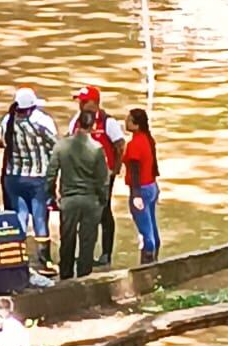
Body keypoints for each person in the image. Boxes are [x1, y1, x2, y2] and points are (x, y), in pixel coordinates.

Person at [46, 107, 110, 280]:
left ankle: (65, 276)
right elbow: (103, 179)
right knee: (87, 243)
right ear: (93, 125)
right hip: (91, 201)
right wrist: (103, 200)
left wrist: (51, 196)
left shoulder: (61, 145)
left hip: (69, 199)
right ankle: (83, 278)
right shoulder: (97, 149)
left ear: (78, 123)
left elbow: (51, 174)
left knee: (67, 240)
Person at [0, 87, 58, 271]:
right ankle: (44, 261)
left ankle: (18, 259)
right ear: (32, 107)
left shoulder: (7, 120)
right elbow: (55, 147)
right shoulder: (42, 121)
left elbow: (2, 142)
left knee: (19, 218)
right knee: (40, 219)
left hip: (13, 177)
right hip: (37, 178)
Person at [69, 87, 125, 267]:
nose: (81, 104)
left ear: (95, 102)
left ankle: (106, 254)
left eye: (84, 101)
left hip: (103, 177)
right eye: (80, 101)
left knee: (104, 213)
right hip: (81, 176)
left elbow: (120, 146)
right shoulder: (76, 121)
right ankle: (86, 255)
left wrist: (114, 170)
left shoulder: (108, 122)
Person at [124, 108, 161, 263]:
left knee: (146, 232)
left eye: (129, 120)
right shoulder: (148, 139)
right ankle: (155, 258)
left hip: (141, 190)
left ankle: (148, 263)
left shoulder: (134, 144)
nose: (125, 121)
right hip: (151, 186)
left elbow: (134, 170)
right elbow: (153, 165)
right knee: (152, 225)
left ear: (136, 125)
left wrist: (136, 195)